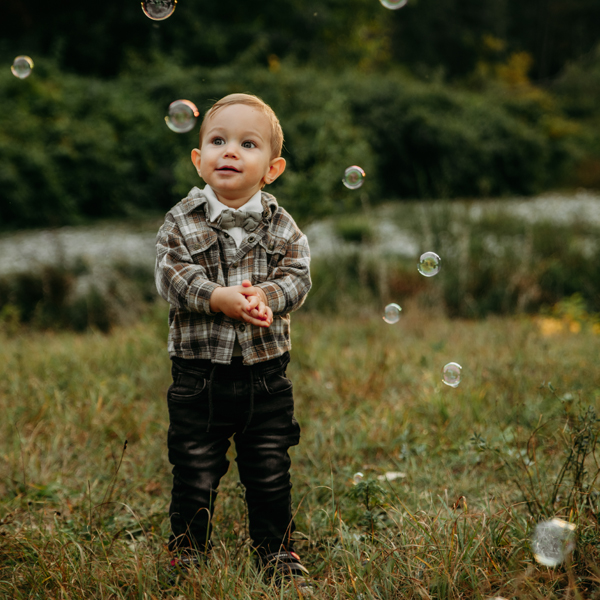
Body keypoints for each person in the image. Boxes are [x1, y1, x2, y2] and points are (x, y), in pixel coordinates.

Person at [155, 93, 312, 585]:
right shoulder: (181, 219)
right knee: (195, 469)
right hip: (198, 377)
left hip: (266, 377)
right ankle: (187, 555)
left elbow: (299, 274)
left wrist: (267, 295)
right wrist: (216, 296)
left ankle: (277, 556)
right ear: (199, 159)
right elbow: (170, 274)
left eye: (248, 144)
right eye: (218, 141)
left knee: (269, 469)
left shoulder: (282, 225)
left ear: (272, 168)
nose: (231, 152)